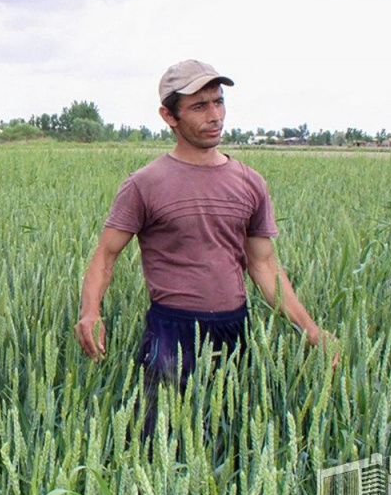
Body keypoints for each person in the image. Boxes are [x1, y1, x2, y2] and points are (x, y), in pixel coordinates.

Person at [76, 59, 336, 436]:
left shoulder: (250, 183)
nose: (215, 116)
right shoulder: (143, 185)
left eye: (218, 102)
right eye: (200, 106)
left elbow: (264, 266)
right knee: (159, 442)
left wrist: (310, 329)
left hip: (235, 327)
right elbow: (105, 256)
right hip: (171, 330)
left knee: (229, 439)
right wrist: (90, 312)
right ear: (169, 115)